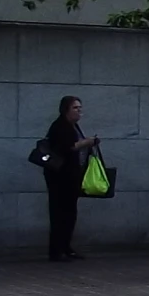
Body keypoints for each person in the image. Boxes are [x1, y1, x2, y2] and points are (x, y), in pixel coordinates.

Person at [43, 96, 100, 262]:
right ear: (65, 110)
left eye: (79, 108)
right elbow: (69, 147)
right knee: (59, 213)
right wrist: (87, 142)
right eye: (75, 108)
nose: (79, 112)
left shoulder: (72, 126)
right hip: (60, 177)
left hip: (71, 176)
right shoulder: (60, 126)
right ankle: (57, 250)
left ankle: (65, 247)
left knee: (69, 213)